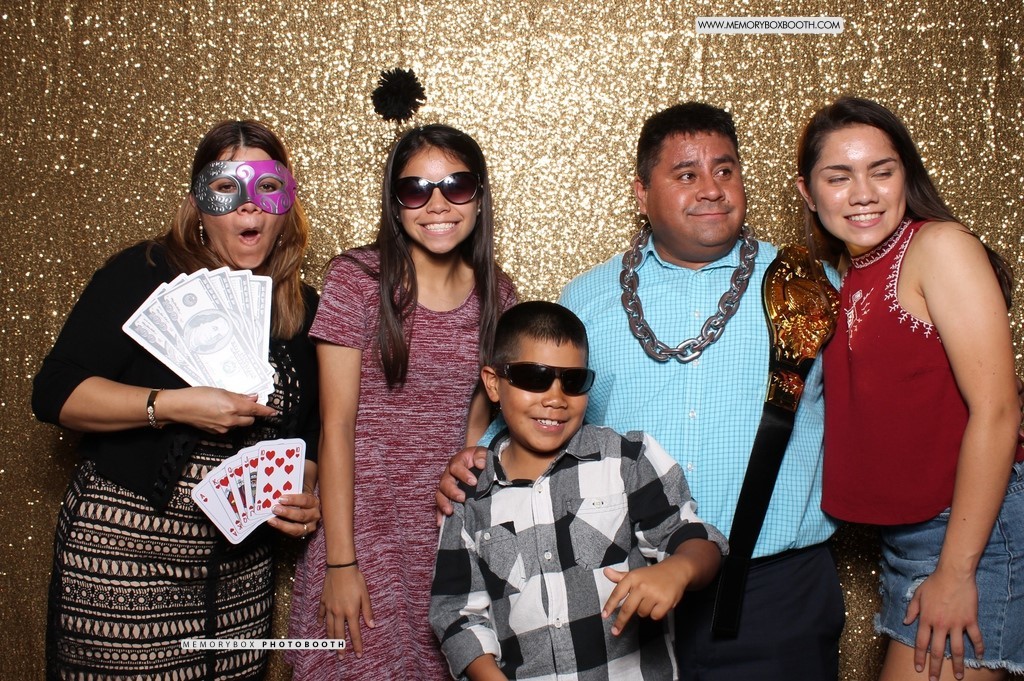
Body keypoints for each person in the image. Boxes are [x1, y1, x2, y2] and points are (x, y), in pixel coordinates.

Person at [438, 102, 846, 680]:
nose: (711, 188)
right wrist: (479, 457)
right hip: (615, 598)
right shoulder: (587, 299)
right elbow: (543, 399)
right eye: (686, 174)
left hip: (775, 591)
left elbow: (874, 408)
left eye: (725, 170)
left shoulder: (810, 286)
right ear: (642, 193)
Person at [33, 120, 322, 680]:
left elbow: (307, 433)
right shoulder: (145, 273)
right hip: (125, 562)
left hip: (239, 583)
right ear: (198, 205)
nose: (248, 206)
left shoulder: (301, 308)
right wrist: (173, 405)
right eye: (226, 188)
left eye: (266, 187)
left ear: (285, 204)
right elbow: (54, 392)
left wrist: (303, 493)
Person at [796, 96, 1024, 681]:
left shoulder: (937, 247)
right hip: (911, 537)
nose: (863, 193)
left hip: (970, 531)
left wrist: (957, 570)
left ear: (906, 176)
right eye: (838, 177)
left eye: (882, 171)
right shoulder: (845, 275)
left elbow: (998, 411)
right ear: (808, 192)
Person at [286, 124, 516, 680]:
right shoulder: (357, 280)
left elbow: (475, 430)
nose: (437, 204)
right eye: (416, 189)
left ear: (479, 197)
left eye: (456, 185)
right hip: (362, 521)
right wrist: (341, 562)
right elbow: (336, 427)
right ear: (395, 203)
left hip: (445, 527)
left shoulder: (498, 293)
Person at [430, 301, 727, 680]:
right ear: (493, 383)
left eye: (573, 381)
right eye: (534, 377)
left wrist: (679, 568)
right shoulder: (469, 495)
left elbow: (698, 540)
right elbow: (456, 612)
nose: (556, 398)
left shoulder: (626, 460)